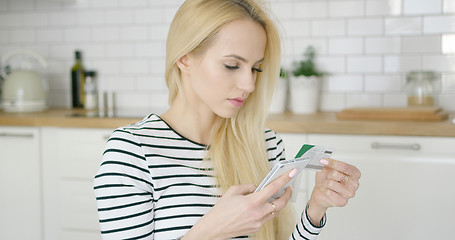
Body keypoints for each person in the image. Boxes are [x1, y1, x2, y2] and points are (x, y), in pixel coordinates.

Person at [93, 0, 361, 239]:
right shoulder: (132, 152)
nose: (249, 84)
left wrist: (316, 209)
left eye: (256, 68)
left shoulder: (264, 143)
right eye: (232, 65)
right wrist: (211, 231)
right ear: (184, 58)